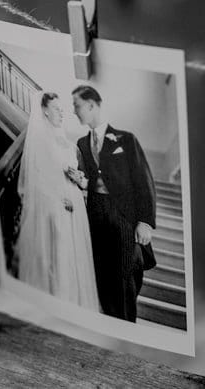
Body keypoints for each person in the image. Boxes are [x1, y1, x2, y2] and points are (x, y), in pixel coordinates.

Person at [72, 85, 157, 322]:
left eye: (77, 106)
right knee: (102, 277)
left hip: (123, 217)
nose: (74, 111)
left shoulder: (125, 139)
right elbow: (90, 177)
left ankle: (127, 327)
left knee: (127, 275)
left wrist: (145, 222)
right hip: (95, 216)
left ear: (91, 105)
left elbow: (143, 180)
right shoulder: (80, 143)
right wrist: (81, 181)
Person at [16, 91, 99, 310]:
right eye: (56, 109)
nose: (61, 113)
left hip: (75, 206)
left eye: (62, 110)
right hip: (56, 207)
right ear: (44, 110)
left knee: (75, 258)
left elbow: (74, 171)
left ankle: (78, 305)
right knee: (59, 257)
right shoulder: (40, 140)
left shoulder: (67, 142)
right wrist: (59, 199)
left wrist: (80, 180)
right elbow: (37, 178)